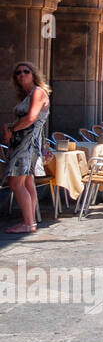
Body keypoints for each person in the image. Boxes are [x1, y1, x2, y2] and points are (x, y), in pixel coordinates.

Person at [2, 62, 51, 235]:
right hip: (25, 143)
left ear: (33, 74)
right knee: (27, 182)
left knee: (16, 183)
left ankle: (28, 223)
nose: (21, 75)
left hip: (26, 144)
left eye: (25, 71)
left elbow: (31, 118)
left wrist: (11, 129)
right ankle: (30, 219)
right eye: (18, 73)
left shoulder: (38, 92)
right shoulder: (29, 94)